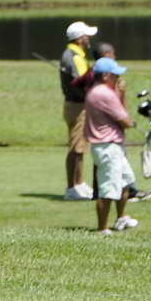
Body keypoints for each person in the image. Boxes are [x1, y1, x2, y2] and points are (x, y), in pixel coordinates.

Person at [83, 56, 140, 234]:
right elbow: (125, 120)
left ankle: (121, 218)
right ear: (105, 76)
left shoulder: (98, 91)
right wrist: (121, 95)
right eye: (115, 75)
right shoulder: (105, 94)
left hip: (111, 146)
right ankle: (102, 228)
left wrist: (120, 94)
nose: (118, 78)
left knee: (125, 181)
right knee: (108, 189)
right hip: (107, 147)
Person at [58, 20, 96, 200]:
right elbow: (82, 83)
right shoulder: (74, 57)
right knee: (76, 147)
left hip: (77, 105)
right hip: (77, 106)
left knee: (80, 146)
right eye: (86, 35)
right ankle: (71, 188)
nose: (88, 38)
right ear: (80, 38)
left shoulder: (75, 54)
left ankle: (79, 183)